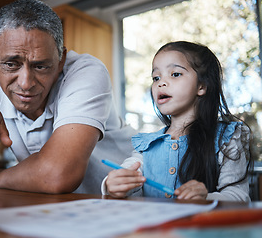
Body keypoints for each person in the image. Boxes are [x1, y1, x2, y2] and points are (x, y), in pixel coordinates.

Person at [0, 0, 137, 194]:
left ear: (60, 59)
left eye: (41, 66)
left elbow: (57, 175)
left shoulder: (86, 72)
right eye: (11, 64)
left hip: (128, 200)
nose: (25, 83)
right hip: (64, 209)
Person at [101, 41, 252, 201]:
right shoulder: (146, 145)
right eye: (156, 77)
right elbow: (127, 174)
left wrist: (206, 197)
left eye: (175, 74)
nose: (161, 83)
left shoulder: (228, 138)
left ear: (201, 86)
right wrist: (111, 185)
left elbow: (239, 197)